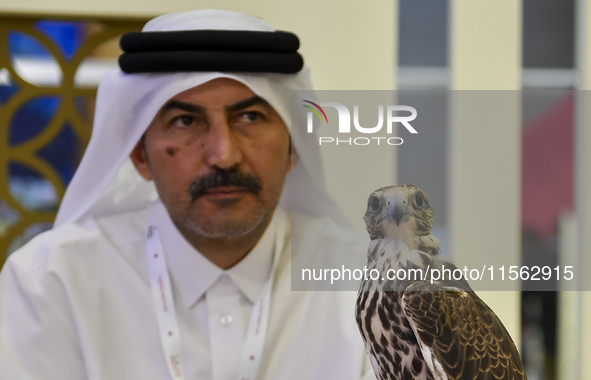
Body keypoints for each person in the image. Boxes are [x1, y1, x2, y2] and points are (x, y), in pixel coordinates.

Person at [0, 9, 374, 380]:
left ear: (293, 147)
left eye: (250, 118)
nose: (224, 156)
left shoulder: (373, 287)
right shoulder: (50, 284)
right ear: (139, 154)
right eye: (185, 121)